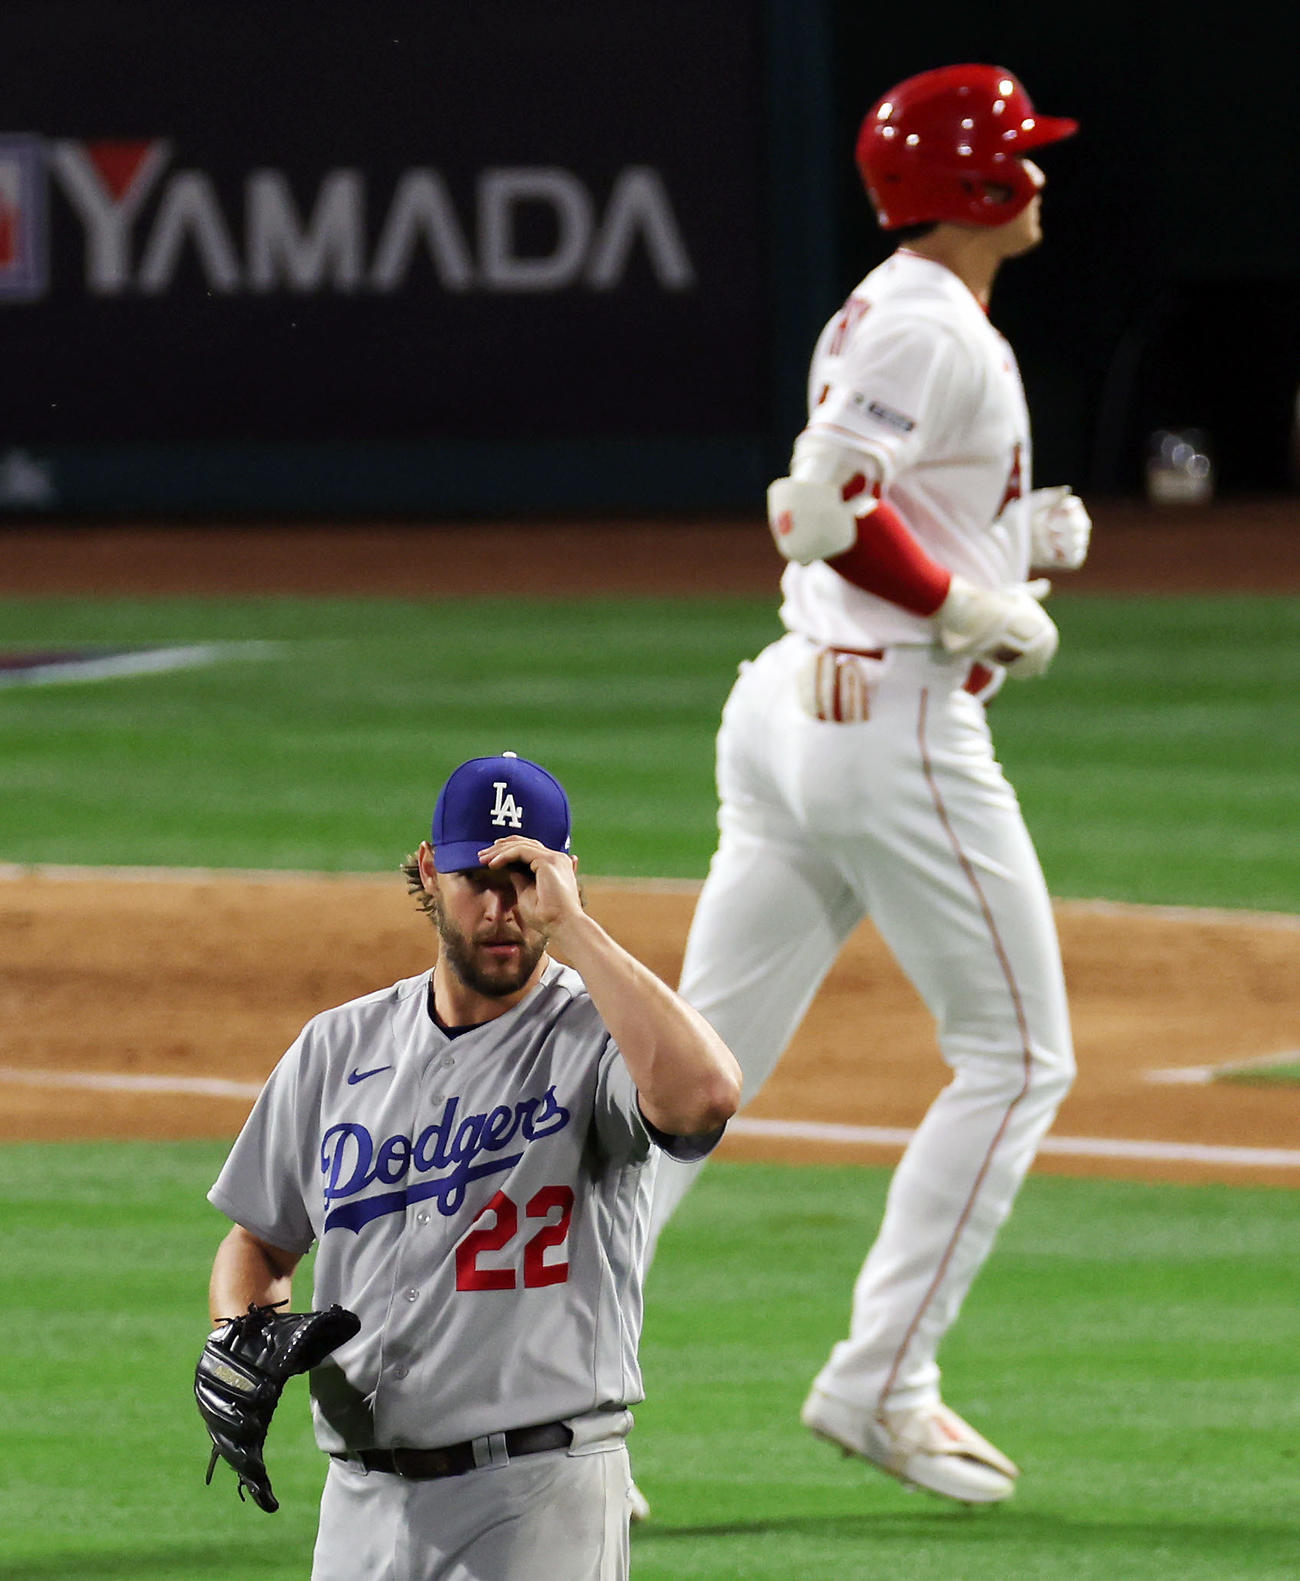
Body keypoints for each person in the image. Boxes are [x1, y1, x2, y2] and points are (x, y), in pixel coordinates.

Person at [642, 64, 1091, 1507]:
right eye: (1020, 153)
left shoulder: (904, 307)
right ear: (976, 186)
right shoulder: (924, 321)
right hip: (886, 725)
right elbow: (819, 506)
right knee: (1017, 1057)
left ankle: (533, 1387)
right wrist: (966, 602)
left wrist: (1008, 543)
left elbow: (877, 496)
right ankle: (881, 1381)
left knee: (688, 1081)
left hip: (795, 706)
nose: (1040, 172)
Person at [204, 751, 742, 1579]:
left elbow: (705, 1096)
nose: (502, 910)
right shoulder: (338, 1045)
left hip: (536, 1499)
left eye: (525, 880)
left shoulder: (600, 1037)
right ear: (429, 870)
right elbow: (260, 1242)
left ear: (563, 877)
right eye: (477, 880)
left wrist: (574, 928)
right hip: (359, 1506)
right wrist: (239, 1330)